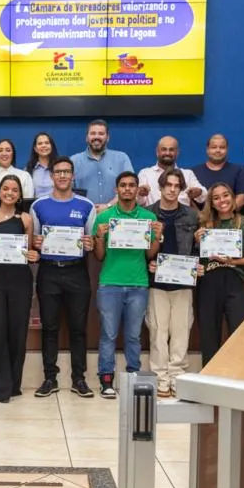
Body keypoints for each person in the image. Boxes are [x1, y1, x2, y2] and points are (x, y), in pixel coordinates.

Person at [30, 156, 96, 397]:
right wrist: (36, 243)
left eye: (67, 172)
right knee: (50, 327)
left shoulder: (86, 205)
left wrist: (89, 243)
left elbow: (91, 242)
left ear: (73, 175)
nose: (62, 176)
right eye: (58, 172)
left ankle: (79, 379)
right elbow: (34, 242)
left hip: (77, 271)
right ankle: (50, 378)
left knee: (78, 328)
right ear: (51, 176)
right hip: (48, 271)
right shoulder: (38, 205)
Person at [92, 171, 159, 399]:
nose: (128, 189)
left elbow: (150, 254)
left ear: (137, 188)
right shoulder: (104, 217)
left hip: (138, 284)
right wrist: (99, 238)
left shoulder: (148, 217)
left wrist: (156, 237)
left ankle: (133, 378)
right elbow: (98, 256)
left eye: (132, 185)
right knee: (108, 334)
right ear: (116, 189)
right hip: (109, 283)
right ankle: (106, 380)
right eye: (123, 185)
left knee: (133, 336)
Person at [0, 176, 39, 402]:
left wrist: (34, 255)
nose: (10, 193)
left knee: (17, 332)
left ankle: (13, 383)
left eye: (14, 190)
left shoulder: (26, 219)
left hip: (19, 280)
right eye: (5, 188)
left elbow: (29, 251)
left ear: (20, 195)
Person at [194, 182, 244, 364]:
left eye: (225, 195)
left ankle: (237, 376)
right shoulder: (204, 224)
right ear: (211, 202)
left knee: (238, 331)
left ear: (233, 198)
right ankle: (209, 378)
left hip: (234, 281)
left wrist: (234, 261)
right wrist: (196, 241)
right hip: (208, 281)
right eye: (216, 198)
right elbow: (192, 256)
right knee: (209, 334)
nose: (222, 200)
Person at [144, 169, 200, 398]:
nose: (172, 189)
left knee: (181, 330)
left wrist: (197, 264)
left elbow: (198, 248)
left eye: (177, 185)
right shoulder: (148, 214)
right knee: (157, 330)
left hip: (183, 282)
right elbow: (139, 247)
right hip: (156, 281)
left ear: (181, 188)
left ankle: (177, 375)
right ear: (161, 186)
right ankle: (160, 377)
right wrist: (147, 263)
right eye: (168, 185)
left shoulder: (191, 216)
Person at [71, 119, 133, 210]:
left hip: (115, 215)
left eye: (101, 134)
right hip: (83, 215)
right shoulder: (74, 161)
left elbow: (130, 188)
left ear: (107, 138)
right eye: (93, 133)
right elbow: (67, 192)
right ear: (86, 138)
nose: (96, 137)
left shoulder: (122, 158)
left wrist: (108, 206)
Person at [137, 136, 207, 207]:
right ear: (157, 151)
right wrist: (140, 194)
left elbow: (204, 197)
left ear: (177, 152)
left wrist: (199, 192)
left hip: (182, 217)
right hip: (153, 216)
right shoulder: (145, 173)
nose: (167, 153)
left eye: (171, 150)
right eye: (164, 149)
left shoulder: (187, 174)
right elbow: (137, 202)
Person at [190, 134, 244, 209]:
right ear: (207, 149)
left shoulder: (238, 170)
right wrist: (202, 217)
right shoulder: (193, 172)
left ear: (227, 150)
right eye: (214, 147)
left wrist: (224, 213)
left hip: (230, 218)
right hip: (200, 219)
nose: (218, 150)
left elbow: (242, 199)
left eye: (222, 147)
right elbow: (188, 200)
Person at [0, 139, 33, 213]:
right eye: (0, 150)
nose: (4, 153)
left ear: (13, 154)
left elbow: (27, 205)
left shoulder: (25, 176)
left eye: (8, 150)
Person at [26, 132, 58, 198]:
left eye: (47, 143)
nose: (44, 145)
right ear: (35, 149)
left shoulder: (59, 167)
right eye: (40, 143)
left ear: (51, 146)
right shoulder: (28, 170)